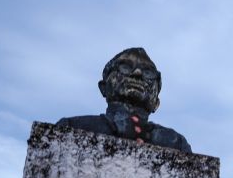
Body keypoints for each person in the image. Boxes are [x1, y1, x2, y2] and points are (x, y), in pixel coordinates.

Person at [57, 48, 192, 153]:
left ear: (156, 102)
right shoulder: (72, 127)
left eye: (148, 73)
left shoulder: (175, 143)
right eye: (125, 67)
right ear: (104, 88)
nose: (137, 73)